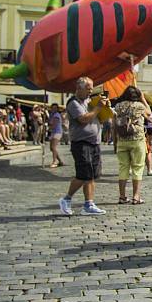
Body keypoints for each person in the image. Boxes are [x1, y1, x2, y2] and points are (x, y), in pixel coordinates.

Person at [59, 77, 108, 216]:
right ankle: (66, 199)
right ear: (79, 88)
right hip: (81, 143)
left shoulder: (89, 102)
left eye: (91, 88)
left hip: (94, 142)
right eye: (88, 88)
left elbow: (101, 118)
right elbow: (83, 119)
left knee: (91, 175)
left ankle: (89, 204)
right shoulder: (73, 103)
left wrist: (105, 109)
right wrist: (98, 108)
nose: (90, 91)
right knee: (83, 174)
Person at [113, 86, 152, 205]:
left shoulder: (118, 106)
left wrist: (115, 142)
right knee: (138, 167)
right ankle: (136, 196)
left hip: (122, 140)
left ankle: (122, 196)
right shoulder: (139, 106)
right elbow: (149, 114)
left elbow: (114, 124)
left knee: (123, 168)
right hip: (137, 139)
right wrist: (143, 99)